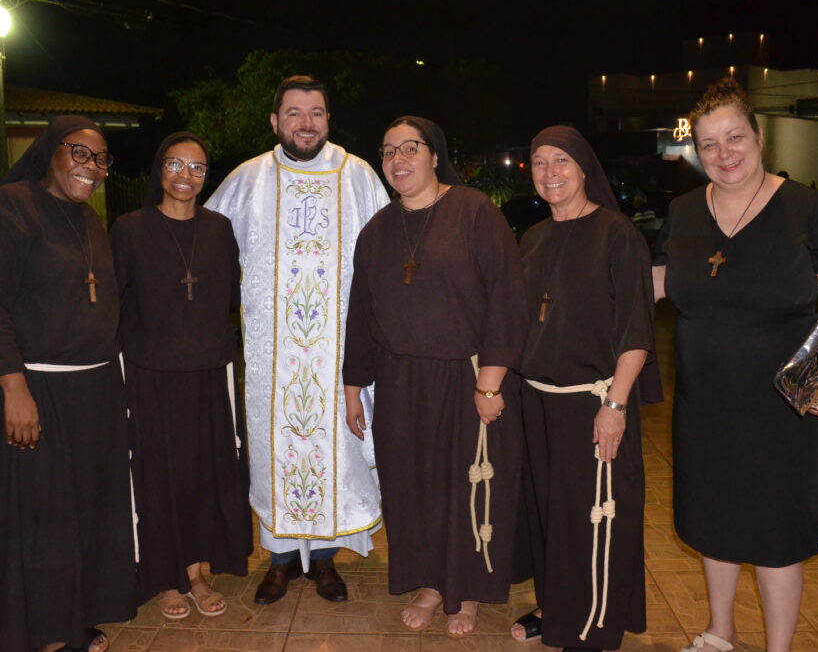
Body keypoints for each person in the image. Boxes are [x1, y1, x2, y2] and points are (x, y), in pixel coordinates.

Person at [652, 79, 818, 652]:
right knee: (713, 525)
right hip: (705, 403)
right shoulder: (684, 212)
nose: (724, 154)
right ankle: (720, 632)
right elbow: (654, 285)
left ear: (759, 137)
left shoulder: (810, 209)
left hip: (784, 408)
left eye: (734, 137)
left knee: (774, 535)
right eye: (709, 144)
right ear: (696, 149)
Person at [0, 116, 135, 652]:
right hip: (33, 392)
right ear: (49, 153)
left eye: (101, 158)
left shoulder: (87, 221)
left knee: (77, 518)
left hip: (90, 395)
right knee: (37, 524)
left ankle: (67, 620)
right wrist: (14, 389)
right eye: (79, 153)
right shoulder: (9, 208)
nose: (92, 167)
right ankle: (37, 635)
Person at [204, 75, 389, 604]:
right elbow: (204, 249)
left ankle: (326, 560)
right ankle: (281, 560)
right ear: (275, 121)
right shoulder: (248, 179)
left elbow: (386, 255)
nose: (305, 124)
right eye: (294, 113)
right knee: (273, 455)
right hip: (270, 358)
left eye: (316, 113)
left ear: (329, 119)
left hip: (338, 355)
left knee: (336, 453)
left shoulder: (357, 175)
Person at [343, 116, 529, 637]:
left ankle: (464, 589)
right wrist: (353, 386)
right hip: (399, 380)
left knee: (463, 485)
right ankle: (430, 583)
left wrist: (490, 382)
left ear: (433, 154)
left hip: (466, 376)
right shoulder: (377, 230)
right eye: (388, 152)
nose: (398, 160)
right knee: (412, 486)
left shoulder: (473, 212)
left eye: (410, 148)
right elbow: (361, 312)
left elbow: (506, 299)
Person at [510, 126, 658, 651]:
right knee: (549, 514)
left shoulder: (618, 235)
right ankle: (555, 607)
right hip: (537, 403)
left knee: (594, 517)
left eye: (561, 162)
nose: (549, 173)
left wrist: (616, 405)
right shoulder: (533, 238)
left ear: (583, 168)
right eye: (539, 162)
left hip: (595, 401)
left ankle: (593, 618)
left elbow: (637, 331)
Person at [110, 132, 251, 621]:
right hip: (151, 375)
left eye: (196, 168)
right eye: (175, 164)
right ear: (159, 170)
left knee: (199, 478)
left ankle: (194, 573)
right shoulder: (129, 230)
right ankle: (164, 578)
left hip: (209, 375)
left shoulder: (219, 229)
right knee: (158, 477)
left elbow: (231, 301)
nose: (185, 176)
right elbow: (115, 307)